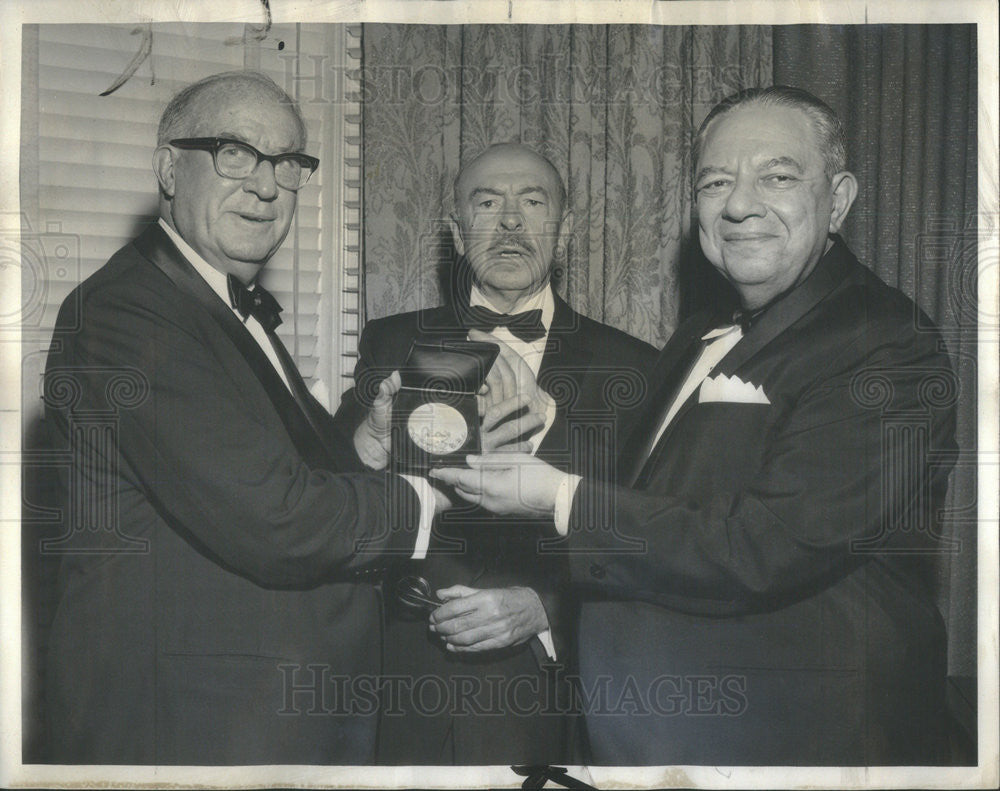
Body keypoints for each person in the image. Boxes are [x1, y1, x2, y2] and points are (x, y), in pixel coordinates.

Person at [433, 88, 957, 765]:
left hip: (801, 746)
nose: (740, 204)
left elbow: (764, 546)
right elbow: (654, 513)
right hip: (649, 734)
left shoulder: (884, 341)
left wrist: (555, 496)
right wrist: (550, 427)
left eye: (777, 176)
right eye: (716, 181)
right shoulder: (694, 336)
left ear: (841, 198)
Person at [41, 71, 448, 765]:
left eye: (287, 163)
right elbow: (276, 519)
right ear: (170, 167)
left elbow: (262, 473)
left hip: (267, 714)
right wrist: (424, 502)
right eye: (235, 153)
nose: (265, 185)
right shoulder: (127, 313)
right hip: (197, 724)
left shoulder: (216, 304)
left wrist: (366, 448)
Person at [335, 143, 657, 764]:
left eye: (532, 203)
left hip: (547, 691)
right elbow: (331, 494)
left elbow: (652, 536)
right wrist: (367, 444)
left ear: (563, 233)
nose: (510, 222)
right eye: (487, 204)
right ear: (457, 234)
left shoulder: (635, 367)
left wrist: (546, 608)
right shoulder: (393, 340)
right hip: (404, 678)